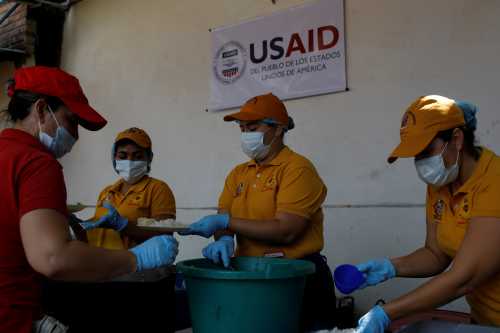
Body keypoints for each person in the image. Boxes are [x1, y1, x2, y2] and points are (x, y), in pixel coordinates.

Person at [0, 66, 178, 333]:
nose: (75, 135)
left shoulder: (158, 188)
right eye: (71, 121)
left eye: (137, 155)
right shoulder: (38, 164)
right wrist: (134, 259)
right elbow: (53, 257)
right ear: (40, 110)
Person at [181, 93, 337, 331]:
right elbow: (223, 216)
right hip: (251, 277)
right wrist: (223, 237)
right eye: (242, 129)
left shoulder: (297, 169)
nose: (246, 135)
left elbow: (287, 230)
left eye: (252, 127)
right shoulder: (238, 173)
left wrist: (227, 221)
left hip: (296, 279)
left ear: (278, 129)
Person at [351, 95, 500, 332]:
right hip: (485, 320)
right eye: (416, 156)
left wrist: (386, 313)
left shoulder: (494, 182)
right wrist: (390, 267)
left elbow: (464, 278)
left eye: (426, 151)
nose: (421, 163)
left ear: (457, 139)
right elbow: (436, 253)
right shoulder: (440, 185)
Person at [83, 127, 176, 250]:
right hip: (102, 264)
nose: (130, 161)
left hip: (139, 266)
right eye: (123, 156)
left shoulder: (158, 189)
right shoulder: (106, 192)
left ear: (149, 158)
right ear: (114, 158)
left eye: (137, 156)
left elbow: (165, 233)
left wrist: (123, 225)